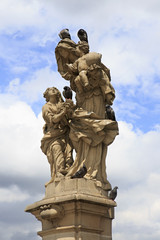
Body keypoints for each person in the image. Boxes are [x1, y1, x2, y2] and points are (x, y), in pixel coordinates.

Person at [41, 87, 74, 185]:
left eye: (55, 89)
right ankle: (59, 173)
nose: (54, 90)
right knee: (57, 150)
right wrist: (63, 112)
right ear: (47, 95)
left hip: (66, 133)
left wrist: (70, 108)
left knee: (68, 154)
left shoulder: (62, 104)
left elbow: (71, 115)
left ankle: (68, 171)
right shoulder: (46, 107)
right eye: (51, 90)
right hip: (53, 135)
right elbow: (53, 120)